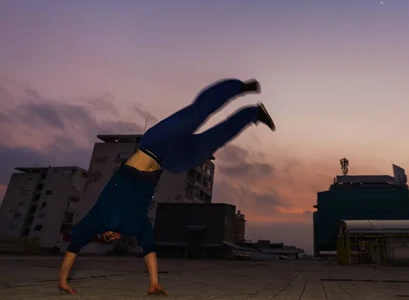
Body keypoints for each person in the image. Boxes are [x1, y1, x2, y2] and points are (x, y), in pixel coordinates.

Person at [58, 78, 275, 295]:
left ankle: (239, 87)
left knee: (196, 114)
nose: (112, 238)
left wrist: (63, 281)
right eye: (112, 240)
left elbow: (73, 249)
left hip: (154, 144)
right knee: (213, 140)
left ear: (101, 234)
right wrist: (153, 283)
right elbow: (149, 252)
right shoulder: (135, 226)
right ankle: (253, 114)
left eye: (107, 238)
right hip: (170, 160)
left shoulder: (97, 219)